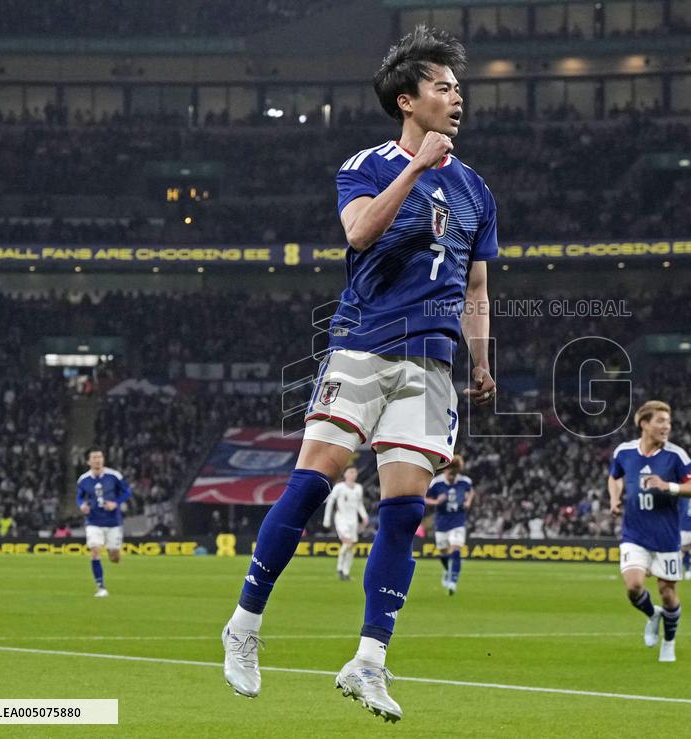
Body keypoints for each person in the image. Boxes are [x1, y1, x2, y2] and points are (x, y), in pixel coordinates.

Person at [221, 25, 497, 723]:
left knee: (405, 510)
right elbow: (358, 233)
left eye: (458, 87)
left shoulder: (475, 189)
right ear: (408, 100)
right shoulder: (367, 165)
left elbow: (476, 286)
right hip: (364, 344)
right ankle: (244, 625)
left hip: (433, 361)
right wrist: (417, 167)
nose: (457, 96)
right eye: (443, 86)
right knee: (313, 479)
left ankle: (369, 659)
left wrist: (483, 358)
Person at [607, 400, 691, 663]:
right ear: (644, 424)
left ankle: (669, 642)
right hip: (634, 533)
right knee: (634, 587)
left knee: (668, 593)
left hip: (666, 537)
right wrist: (614, 499)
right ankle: (652, 615)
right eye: (660, 421)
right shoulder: (624, 451)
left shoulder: (676, 455)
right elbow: (614, 476)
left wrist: (668, 486)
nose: (666, 427)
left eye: (668, 422)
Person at [76, 448, 132, 597]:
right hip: (93, 521)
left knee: (115, 557)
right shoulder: (83, 480)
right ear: (88, 461)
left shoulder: (114, 476)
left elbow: (127, 492)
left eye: (100, 456)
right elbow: (79, 497)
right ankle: (101, 587)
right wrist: (82, 505)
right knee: (95, 551)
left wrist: (116, 503)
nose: (98, 459)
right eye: (94, 457)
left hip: (113, 521)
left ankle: (111, 549)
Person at [426, 454, 474, 594]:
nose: (452, 477)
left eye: (455, 474)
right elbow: (424, 498)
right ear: (445, 470)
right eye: (450, 473)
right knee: (443, 553)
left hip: (458, 521)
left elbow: (471, 492)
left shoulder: (465, 482)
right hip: (441, 523)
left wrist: (468, 502)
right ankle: (447, 570)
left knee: (456, 551)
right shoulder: (436, 483)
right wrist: (436, 502)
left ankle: (453, 581)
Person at [323, 465, 369, 580]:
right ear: (345, 474)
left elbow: (359, 504)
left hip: (353, 520)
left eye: (355, 472)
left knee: (351, 545)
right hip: (341, 519)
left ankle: (346, 572)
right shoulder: (339, 487)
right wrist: (327, 519)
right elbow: (330, 503)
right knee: (347, 542)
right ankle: (340, 568)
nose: (354, 474)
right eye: (351, 472)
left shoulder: (359, 488)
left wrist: (364, 516)